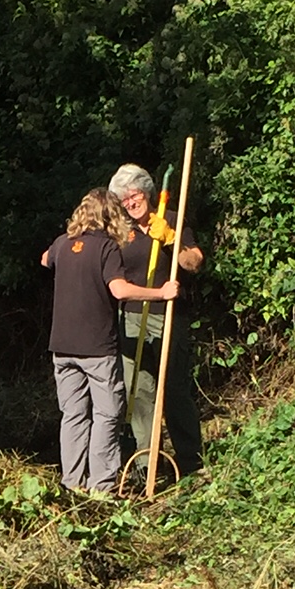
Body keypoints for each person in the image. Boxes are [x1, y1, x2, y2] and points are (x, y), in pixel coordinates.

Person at [41, 189, 179, 493]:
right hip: (96, 348)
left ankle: (72, 485)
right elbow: (119, 290)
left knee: (73, 415)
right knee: (107, 415)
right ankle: (101, 487)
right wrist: (161, 293)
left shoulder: (62, 245)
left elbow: (44, 259)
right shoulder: (106, 248)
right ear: (110, 217)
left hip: (62, 347)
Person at [108, 163, 204, 477]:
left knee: (175, 390)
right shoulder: (120, 230)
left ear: (147, 193)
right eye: (123, 200)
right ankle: (147, 466)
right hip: (132, 318)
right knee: (140, 391)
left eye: (134, 195)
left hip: (168, 317)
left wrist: (170, 239)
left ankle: (191, 463)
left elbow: (194, 262)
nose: (130, 203)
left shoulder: (170, 219)